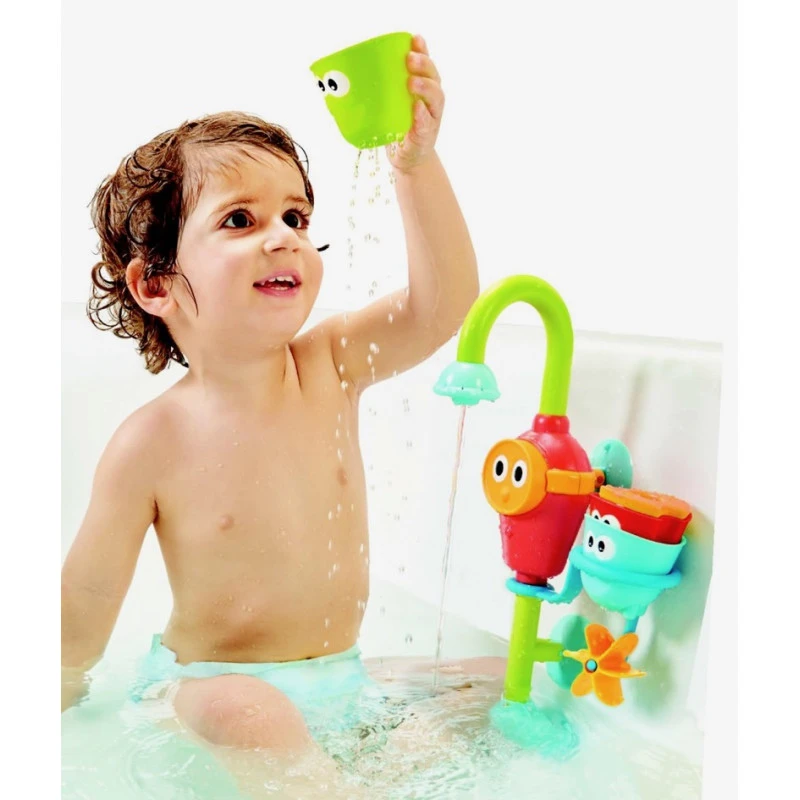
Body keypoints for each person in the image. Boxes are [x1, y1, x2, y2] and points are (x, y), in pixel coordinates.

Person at [62, 32, 493, 794]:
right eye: (241, 220)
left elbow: (442, 305)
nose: (284, 239)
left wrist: (415, 166)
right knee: (252, 713)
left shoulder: (329, 364)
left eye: (296, 217)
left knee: (496, 679)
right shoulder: (152, 441)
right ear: (156, 284)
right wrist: (57, 691)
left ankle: (363, 767)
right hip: (211, 688)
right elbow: (84, 606)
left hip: (340, 679)